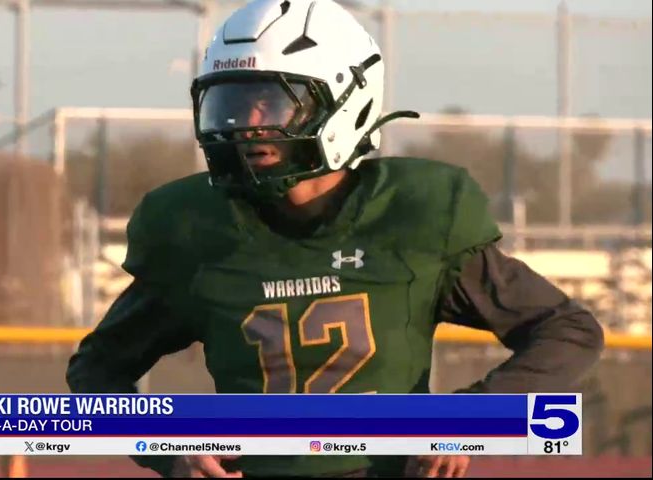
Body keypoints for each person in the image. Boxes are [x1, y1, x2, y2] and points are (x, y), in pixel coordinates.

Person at [66, 0, 605, 477]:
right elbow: (97, 371)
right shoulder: (196, 230)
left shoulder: (412, 216)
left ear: (343, 101)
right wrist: (168, 447)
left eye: (271, 101)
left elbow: (568, 331)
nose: (246, 123)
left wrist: (466, 421)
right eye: (232, 101)